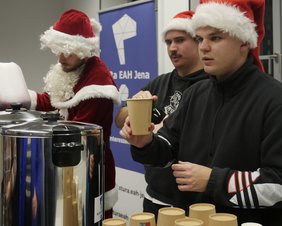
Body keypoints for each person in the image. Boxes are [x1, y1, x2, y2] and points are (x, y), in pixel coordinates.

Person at [120, 0, 282, 225]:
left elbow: (278, 185)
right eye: (200, 38)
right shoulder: (196, 94)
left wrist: (214, 180)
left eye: (215, 38)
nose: (203, 47)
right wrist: (145, 142)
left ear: (245, 42)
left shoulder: (274, 99)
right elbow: (167, 148)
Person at [28, 9, 120, 218]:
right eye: (58, 50)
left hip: (87, 169)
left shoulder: (97, 83)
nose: (60, 58)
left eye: (67, 51)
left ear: (83, 49)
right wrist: (25, 98)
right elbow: (54, 102)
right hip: (68, 166)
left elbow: (76, 133)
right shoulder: (73, 68)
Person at [115, 11, 207, 217]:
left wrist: (160, 130)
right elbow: (119, 119)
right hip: (155, 196)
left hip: (195, 202)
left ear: (198, 42)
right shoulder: (160, 82)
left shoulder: (209, 86)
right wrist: (135, 109)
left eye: (180, 40)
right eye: (168, 42)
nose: (172, 48)